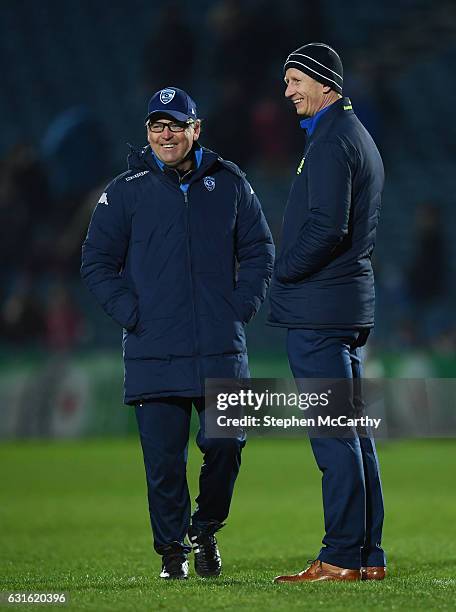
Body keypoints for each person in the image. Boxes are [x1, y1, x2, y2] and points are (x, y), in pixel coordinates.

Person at [81, 87, 274, 579]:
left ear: (196, 128)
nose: (165, 133)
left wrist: (241, 305)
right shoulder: (125, 189)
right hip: (154, 348)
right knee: (164, 465)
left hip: (221, 346)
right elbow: (96, 261)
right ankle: (173, 554)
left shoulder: (230, 182)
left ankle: (205, 529)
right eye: (156, 125)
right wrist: (132, 313)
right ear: (148, 132)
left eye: (175, 124)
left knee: (228, 444)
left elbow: (259, 249)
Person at [268, 43, 386, 582]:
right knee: (353, 434)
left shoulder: (332, 142)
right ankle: (367, 556)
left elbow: (327, 227)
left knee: (335, 436)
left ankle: (340, 555)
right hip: (342, 306)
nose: (288, 90)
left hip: (320, 311)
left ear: (325, 83)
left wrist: (281, 269)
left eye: (295, 80)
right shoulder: (352, 135)